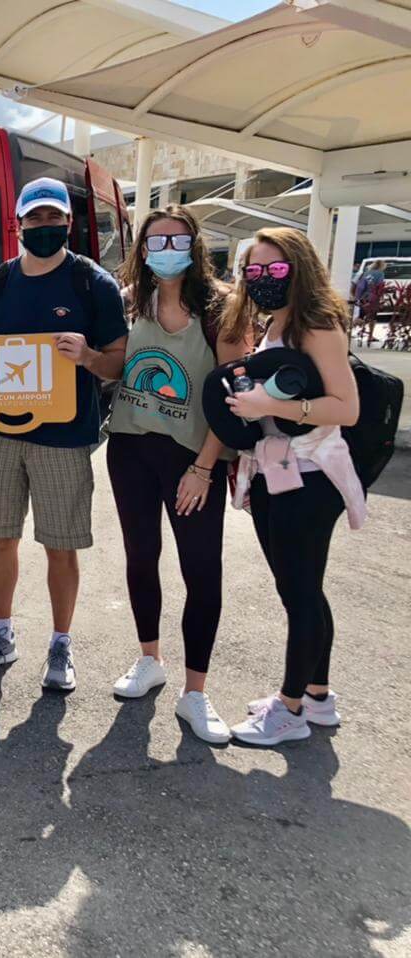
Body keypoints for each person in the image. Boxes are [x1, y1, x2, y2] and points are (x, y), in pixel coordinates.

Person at [0, 177, 128, 692]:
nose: (44, 227)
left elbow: (118, 363)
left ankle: (60, 645)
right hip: (0, 438)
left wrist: (89, 357)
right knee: (0, 539)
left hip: (66, 440)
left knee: (60, 547)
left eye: (54, 219)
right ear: (19, 223)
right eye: (35, 219)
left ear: (68, 224)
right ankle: (1, 637)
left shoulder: (93, 284)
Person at [104, 206, 249, 743]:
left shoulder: (223, 308)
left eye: (177, 239)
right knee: (141, 557)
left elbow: (233, 397)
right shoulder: (130, 303)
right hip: (130, 450)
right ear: (142, 248)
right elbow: (116, 368)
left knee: (201, 570)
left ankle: (196, 693)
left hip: (193, 459)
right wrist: (87, 356)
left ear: (195, 244)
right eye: (156, 240)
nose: (167, 248)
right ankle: (150, 660)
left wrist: (205, 468)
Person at [221, 227, 363, 747]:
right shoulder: (276, 325)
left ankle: (290, 709)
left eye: (275, 270)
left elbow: (346, 408)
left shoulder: (317, 327)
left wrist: (272, 406)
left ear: (300, 270)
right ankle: (318, 696)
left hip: (308, 478)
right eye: (253, 272)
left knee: (299, 593)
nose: (262, 280)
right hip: (279, 471)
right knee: (303, 590)